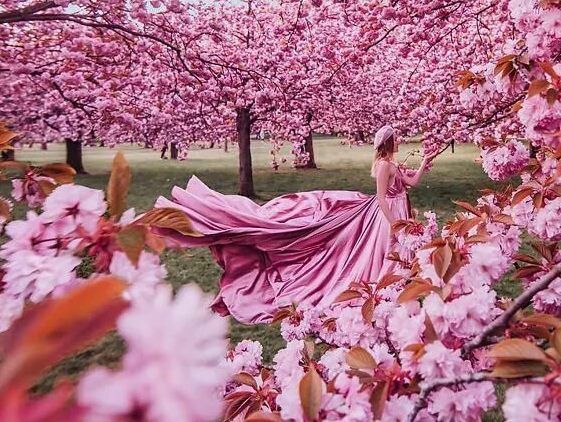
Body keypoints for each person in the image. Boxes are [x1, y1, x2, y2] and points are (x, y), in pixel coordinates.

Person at [153, 126, 436, 323]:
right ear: (388, 144)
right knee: (384, 254)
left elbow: (412, 183)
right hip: (388, 215)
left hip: (401, 211)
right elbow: (381, 198)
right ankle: (388, 289)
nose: (399, 143)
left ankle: (400, 288)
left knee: (400, 254)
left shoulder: (393, 164)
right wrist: (395, 223)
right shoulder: (385, 167)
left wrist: (424, 163)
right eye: (396, 139)